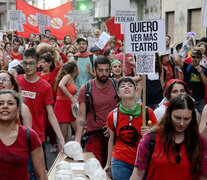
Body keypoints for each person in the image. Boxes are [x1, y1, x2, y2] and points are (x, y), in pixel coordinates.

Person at [130, 94, 207, 180]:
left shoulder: (199, 141)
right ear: (169, 114)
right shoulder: (150, 138)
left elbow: (203, 176)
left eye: (186, 119)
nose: (181, 123)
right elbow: (137, 175)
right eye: (177, 118)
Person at [15, 48, 65, 167]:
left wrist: (61, 138)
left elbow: (51, 114)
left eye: (31, 63)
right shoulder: (16, 82)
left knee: (40, 172)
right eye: (25, 63)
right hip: (17, 135)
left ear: (38, 63)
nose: (28, 67)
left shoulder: (45, 87)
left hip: (38, 136)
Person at [104, 77, 157, 180]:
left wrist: (149, 132)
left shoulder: (147, 112)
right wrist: (108, 163)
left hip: (143, 161)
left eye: (130, 85)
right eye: (122, 86)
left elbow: (159, 135)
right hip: (120, 161)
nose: (126, 87)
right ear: (118, 93)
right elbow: (111, 140)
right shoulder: (113, 115)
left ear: (136, 91)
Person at [75, 56, 118, 167]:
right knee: (95, 169)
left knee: (112, 169)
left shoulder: (116, 85)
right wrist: (77, 142)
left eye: (107, 70)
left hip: (114, 135)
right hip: (93, 135)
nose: (104, 73)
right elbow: (81, 116)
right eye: (100, 70)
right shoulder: (86, 88)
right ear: (94, 70)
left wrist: (112, 126)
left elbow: (124, 108)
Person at [0, 90, 48, 180]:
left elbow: (41, 174)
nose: (5, 106)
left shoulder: (29, 136)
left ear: (18, 108)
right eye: (0, 103)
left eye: (10, 103)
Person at [175, 48, 207, 114]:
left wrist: (201, 72)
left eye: (197, 57)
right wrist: (184, 48)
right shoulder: (187, 67)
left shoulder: (204, 69)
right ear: (191, 58)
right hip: (188, 98)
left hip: (200, 99)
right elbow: (177, 60)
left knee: (200, 119)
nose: (195, 59)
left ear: (200, 58)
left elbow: (206, 83)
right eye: (194, 57)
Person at [54, 61, 79, 140]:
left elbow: (68, 91)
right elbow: (61, 85)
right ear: (75, 68)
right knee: (63, 134)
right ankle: (61, 151)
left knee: (79, 130)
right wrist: (71, 97)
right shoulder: (67, 76)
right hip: (62, 106)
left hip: (69, 106)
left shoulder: (71, 78)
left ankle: (73, 148)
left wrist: (74, 97)